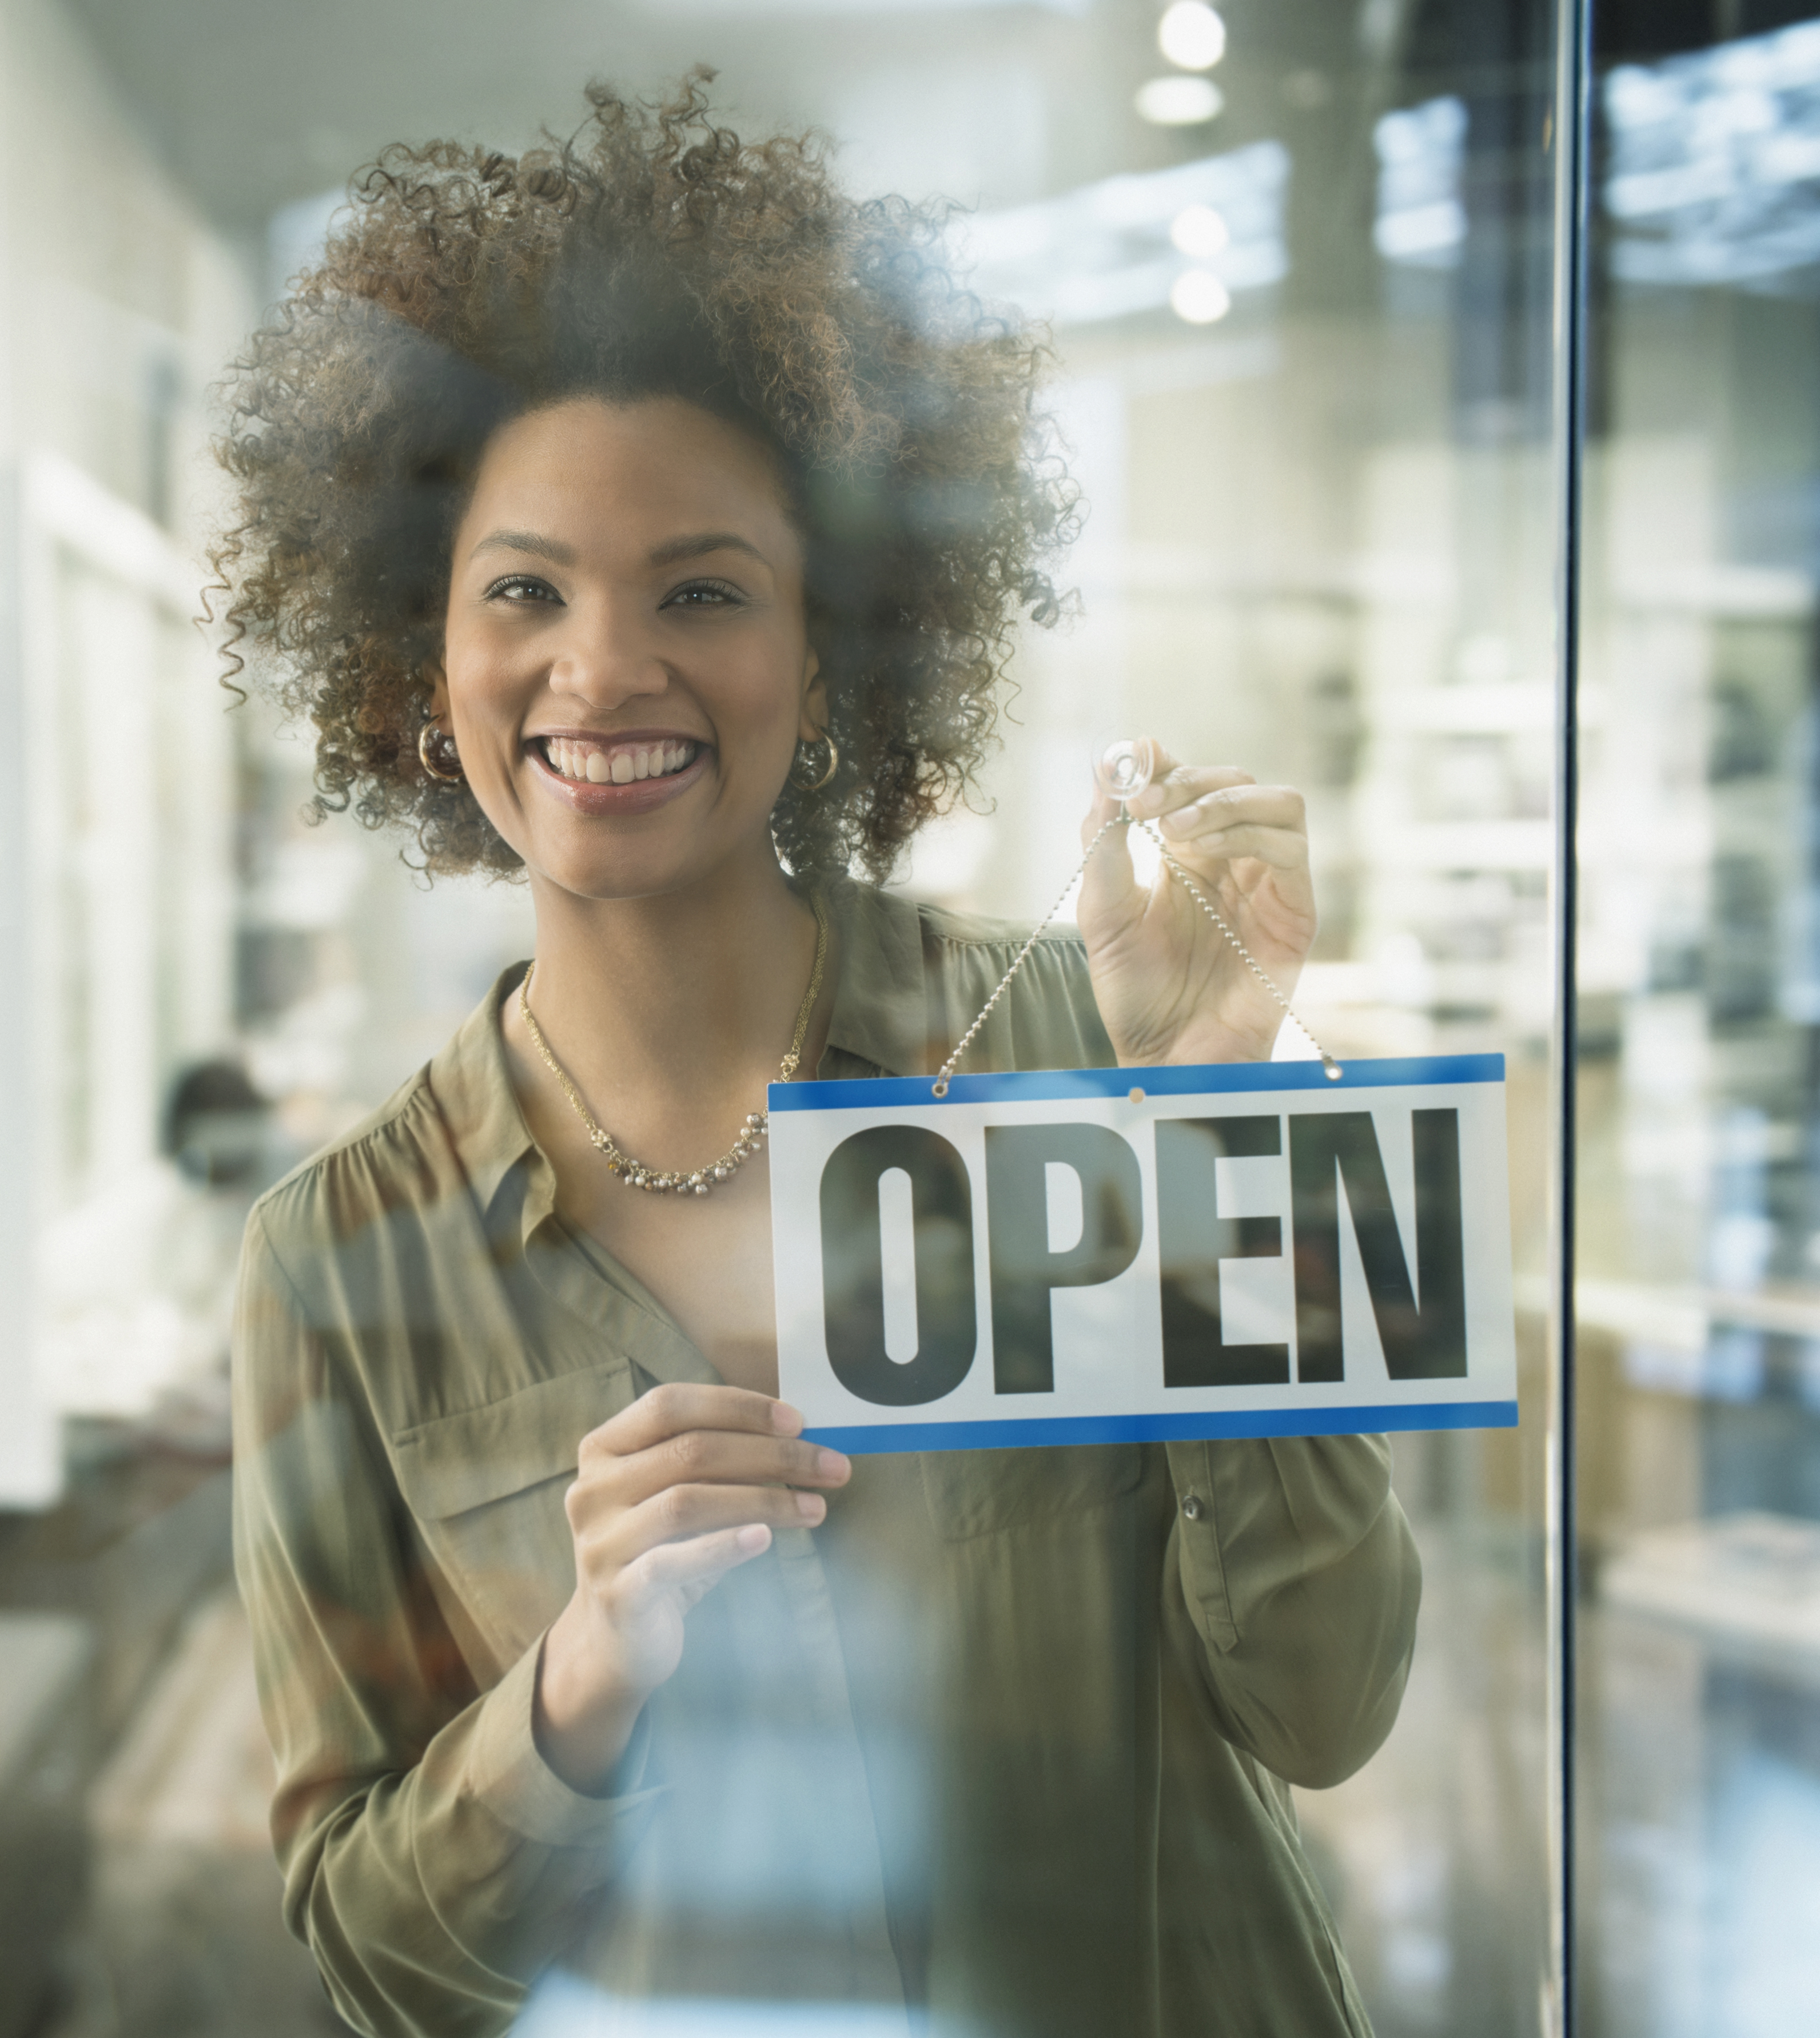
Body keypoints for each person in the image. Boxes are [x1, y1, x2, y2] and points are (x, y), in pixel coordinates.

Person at [214, 77, 1419, 2038]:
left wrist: (1206, 1120)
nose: (602, 669)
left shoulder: (1075, 1046)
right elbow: (375, 1957)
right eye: (524, 588)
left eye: (702, 587)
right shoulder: (336, 1268)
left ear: (834, 646)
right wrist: (581, 1682)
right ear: (416, 661)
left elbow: (1332, 1699)